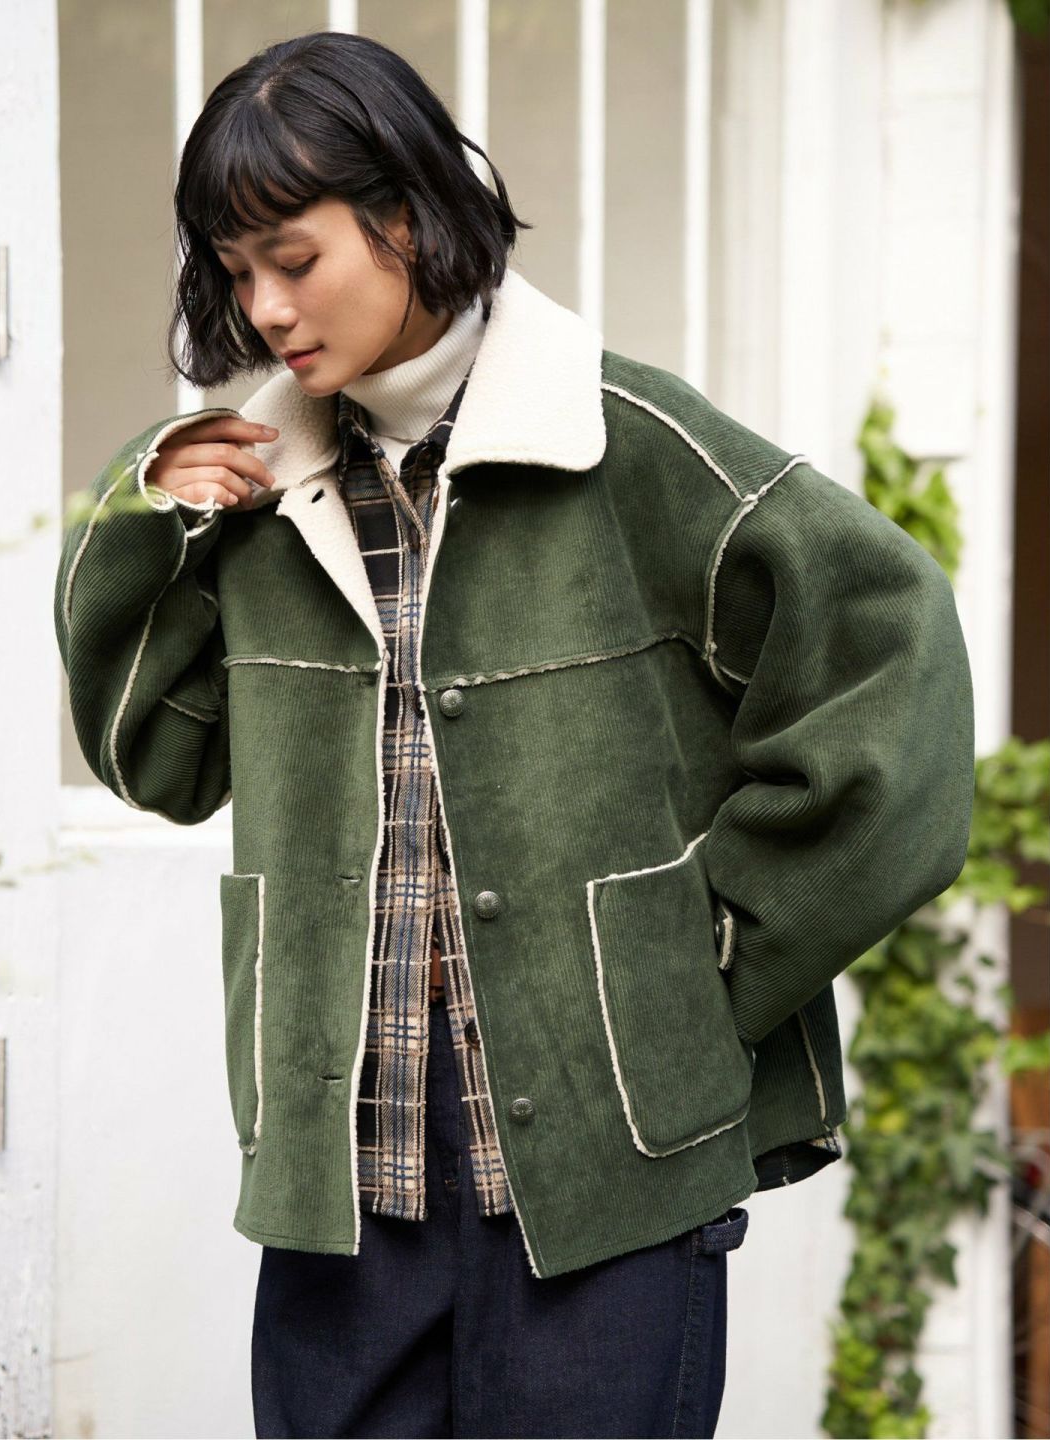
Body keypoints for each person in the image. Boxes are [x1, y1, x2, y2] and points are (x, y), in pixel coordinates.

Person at [52, 29, 976, 1440]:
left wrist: (701, 960)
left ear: (407, 215)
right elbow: (156, 763)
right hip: (346, 1176)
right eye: (235, 274)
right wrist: (146, 520)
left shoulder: (636, 447)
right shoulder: (251, 492)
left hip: (608, 1167)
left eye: (293, 259)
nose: (267, 309)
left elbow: (890, 668)